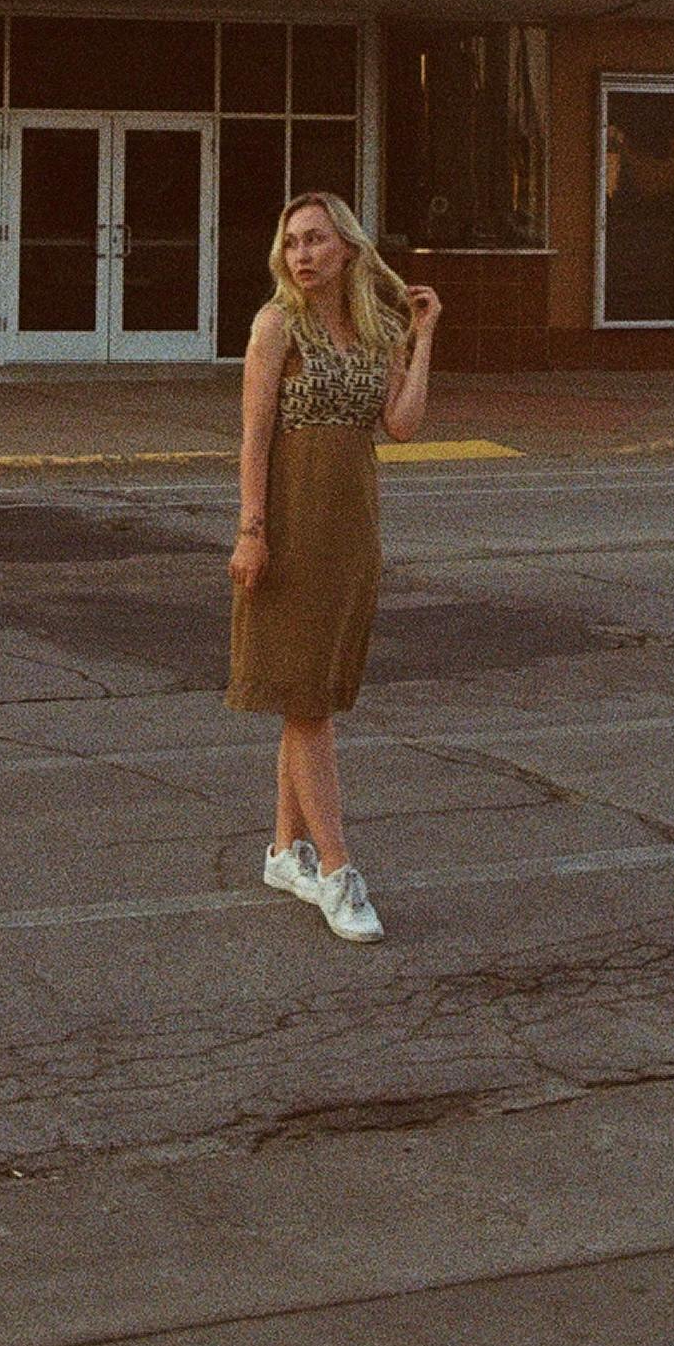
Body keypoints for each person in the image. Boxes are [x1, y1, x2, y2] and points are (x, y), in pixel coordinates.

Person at [226, 190, 440, 943]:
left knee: (310, 690)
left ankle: (287, 851)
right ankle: (340, 874)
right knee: (305, 702)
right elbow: (254, 439)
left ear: (348, 247)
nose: (303, 254)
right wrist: (252, 530)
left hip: (351, 528)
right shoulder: (275, 324)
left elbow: (403, 424)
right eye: (292, 243)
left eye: (316, 240)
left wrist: (421, 336)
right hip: (289, 523)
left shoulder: (374, 328)